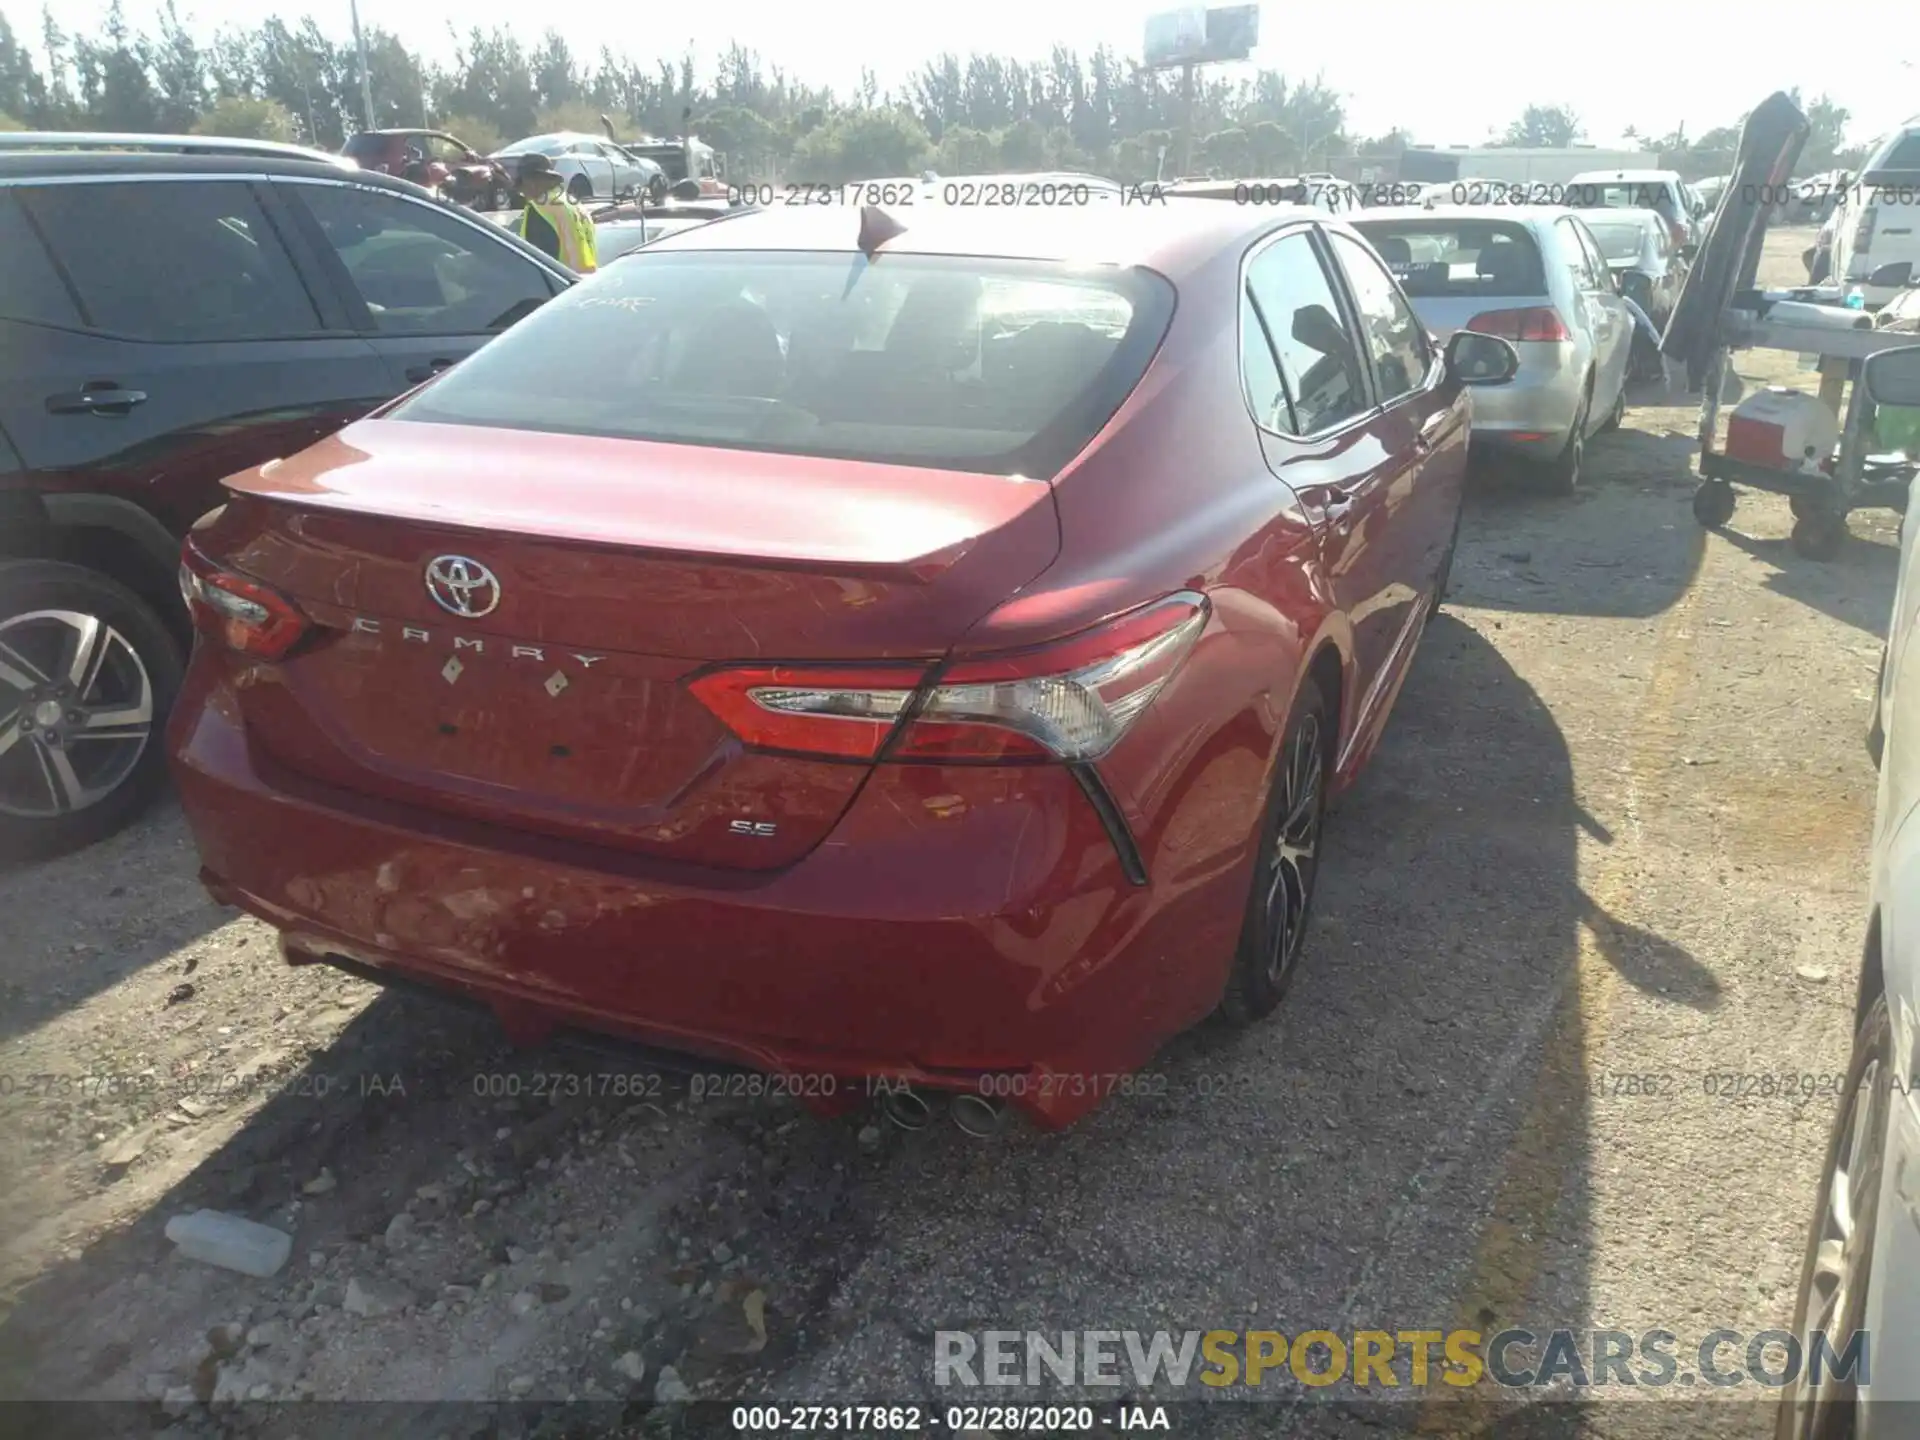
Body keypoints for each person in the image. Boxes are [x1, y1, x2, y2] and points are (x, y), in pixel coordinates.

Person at [512, 153, 598, 274]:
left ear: (531, 181)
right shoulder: (574, 205)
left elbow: (536, 261)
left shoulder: (540, 208)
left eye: (522, 186)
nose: (524, 193)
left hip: (558, 286)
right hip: (587, 282)